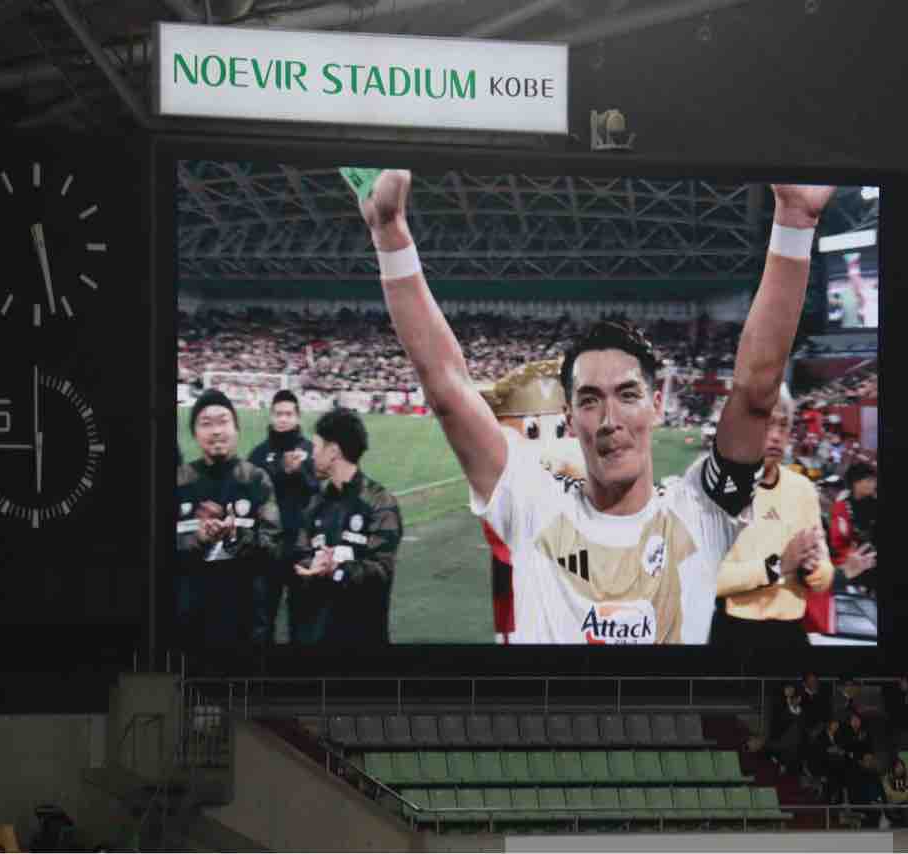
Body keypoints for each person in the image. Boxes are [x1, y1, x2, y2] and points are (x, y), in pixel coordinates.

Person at [354, 168, 837, 644]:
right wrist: (390, 235)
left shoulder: (700, 512)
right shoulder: (533, 504)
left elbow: (755, 392)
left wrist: (794, 223)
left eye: (627, 395)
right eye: (589, 400)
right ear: (569, 418)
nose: (609, 421)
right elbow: (447, 388)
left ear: (657, 404)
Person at [710, 387, 839, 649]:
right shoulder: (716, 491)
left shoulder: (802, 489)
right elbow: (708, 580)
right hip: (735, 632)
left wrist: (812, 569)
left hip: (791, 631)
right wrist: (776, 567)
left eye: (784, 425)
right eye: (767, 425)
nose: (777, 436)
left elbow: (825, 575)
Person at [478, 359, 585, 644]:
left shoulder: (574, 468)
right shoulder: (513, 478)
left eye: (560, 429)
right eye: (534, 432)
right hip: (525, 610)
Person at [175, 389, 282, 652]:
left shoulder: (256, 479)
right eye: (206, 424)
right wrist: (197, 538)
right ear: (194, 433)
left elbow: (274, 545)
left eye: (223, 422)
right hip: (189, 616)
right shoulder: (180, 481)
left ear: (236, 429)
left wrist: (236, 537)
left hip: (245, 616)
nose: (216, 431)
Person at [292, 408, 402, 645]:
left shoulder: (379, 502)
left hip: (364, 635)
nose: (312, 454)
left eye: (316, 446)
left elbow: (382, 570)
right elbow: (300, 554)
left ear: (333, 451)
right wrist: (312, 564)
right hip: (317, 633)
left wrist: (337, 569)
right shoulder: (316, 503)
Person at [246, 389, 319, 647]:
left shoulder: (311, 451)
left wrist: (299, 473)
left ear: (298, 417)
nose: (283, 419)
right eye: (279, 414)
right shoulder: (258, 453)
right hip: (267, 548)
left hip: (302, 547)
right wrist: (281, 471)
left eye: (288, 414)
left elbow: (320, 492)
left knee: (302, 619)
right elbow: (251, 496)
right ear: (271, 416)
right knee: (262, 619)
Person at [829, 462, 878, 595]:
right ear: (856, 483)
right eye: (869, 481)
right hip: (851, 566)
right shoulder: (841, 507)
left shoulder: (875, 505)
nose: (874, 484)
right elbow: (838, 542)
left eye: (874, 481)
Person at [882, 757, 908, 828]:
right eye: (898, 767)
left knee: (907, 806)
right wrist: (906, 795)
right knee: (904, 805)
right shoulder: (887, 779)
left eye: (902, 766)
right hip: (892, 810)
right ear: (892, 768)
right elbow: (890, 795)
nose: (901, 769)